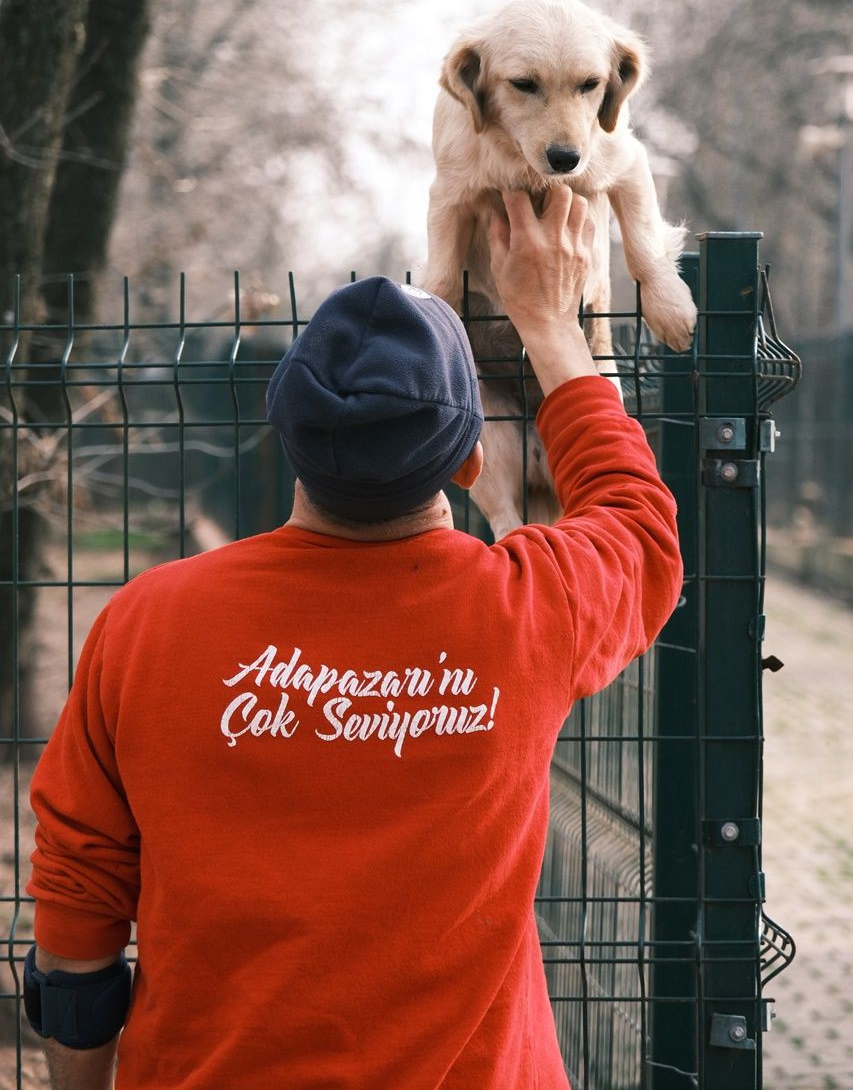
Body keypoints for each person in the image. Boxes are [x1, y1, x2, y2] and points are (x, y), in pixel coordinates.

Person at [26, 186, 682, 1090]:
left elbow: (78, 907)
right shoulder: (533, 609)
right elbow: (637, 521)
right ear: (468, 459)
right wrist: (549, 325)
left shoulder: (145, 623)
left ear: (288, 438)